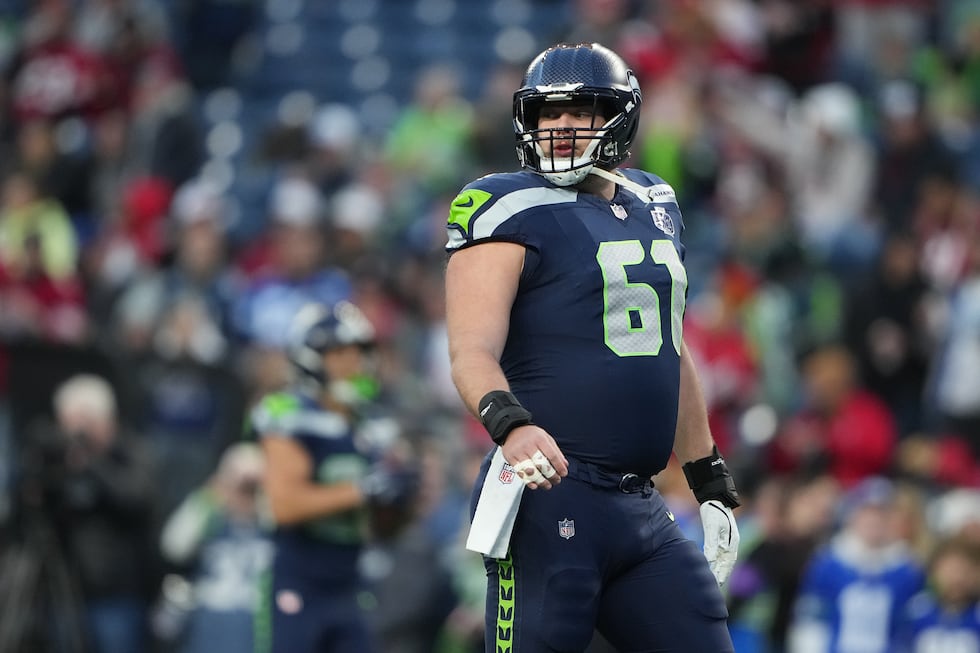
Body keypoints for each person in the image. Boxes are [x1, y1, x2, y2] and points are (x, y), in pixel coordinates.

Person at [444, 42, 741, 652]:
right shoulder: (504, 206)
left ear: (620, 117)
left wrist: (708, 477)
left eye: (579, 111)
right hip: (549, 493)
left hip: (638, 502)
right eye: (547, 115)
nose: (560, 128)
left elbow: (666, 348)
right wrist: (510, 425)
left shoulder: (655, 202)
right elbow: (470, 349)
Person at [251, 301, 418, 653]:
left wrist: (401, 497)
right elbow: (284, 505)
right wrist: (365, 489)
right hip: (298, 578)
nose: (353, 363)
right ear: (310, 358)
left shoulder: (375, 424)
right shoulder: (286, 411)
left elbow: (387, 528)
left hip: (351, 579)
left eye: (357, 352)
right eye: (339, 352)